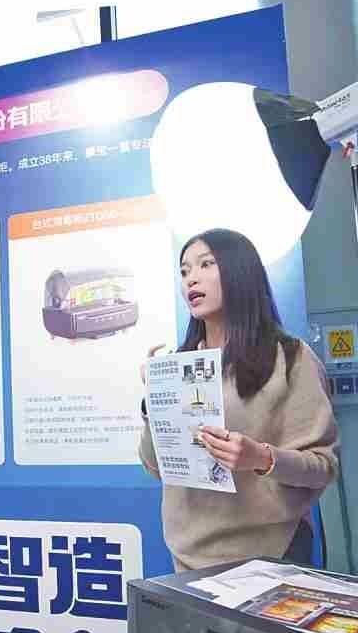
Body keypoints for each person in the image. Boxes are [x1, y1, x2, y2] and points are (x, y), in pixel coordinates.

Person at [139, 229, 340, 571]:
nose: (191, 279)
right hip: (188, 555)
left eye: (206, 265)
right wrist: (153, 404)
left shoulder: (290, 358)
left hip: (273, 551)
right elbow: (156, 467)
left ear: (239, 271)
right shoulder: (178, 364)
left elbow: (323, 466)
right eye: (185, 271)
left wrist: (261, 457)